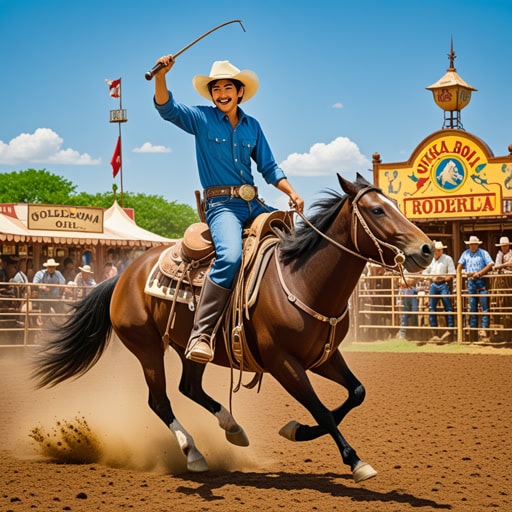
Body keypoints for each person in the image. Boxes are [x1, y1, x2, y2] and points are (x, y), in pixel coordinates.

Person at [153, 56, 304, 364]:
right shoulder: (201, 118)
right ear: (212, 95)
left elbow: (269, 167)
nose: (221, 94)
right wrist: (161, 76)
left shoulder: (253, 126)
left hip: (253, 203)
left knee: (294, 239)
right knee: (231, 256)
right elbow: (166, 108)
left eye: (227, 88)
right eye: (216, 89)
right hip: (221, 207)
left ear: (239, 92)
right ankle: (202, 334)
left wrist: (292, 193)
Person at [457, 235, 494, 340]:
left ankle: (484, 331)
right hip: (471, 282)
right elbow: (460, 264)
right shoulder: (465, 254)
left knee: (484, 307)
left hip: (481, 281)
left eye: (474, 244)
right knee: (472, 308)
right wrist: (459, 271)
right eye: (471, 244)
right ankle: (473, 332)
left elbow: (490, 264)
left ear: (477, 245)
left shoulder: (483, 253)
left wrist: (480, 273)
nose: (472, 246)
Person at [422, 241, 456, 342]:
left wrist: (442, 278)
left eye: (439, 250)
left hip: (443, 284)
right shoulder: (430, 260)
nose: (437, 252)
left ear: (442, 250)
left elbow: (452, 274)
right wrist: (432, 277)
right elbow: (424, 272)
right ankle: (435, 332)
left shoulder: (447, 259)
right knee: (432, 308)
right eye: (436, 250)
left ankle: (450, 330)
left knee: (448, 306)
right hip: (433, 284)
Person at [397, 273, 420, 340]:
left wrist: (408, 282)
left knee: (414, 313)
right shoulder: (405, 270)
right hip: (406, 295)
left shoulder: (415, 270)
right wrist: (410, 281)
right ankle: (402, 333)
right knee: (405, 315)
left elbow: (416, 280)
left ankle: (414, 333)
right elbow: (401, 281)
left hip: (414, 295)